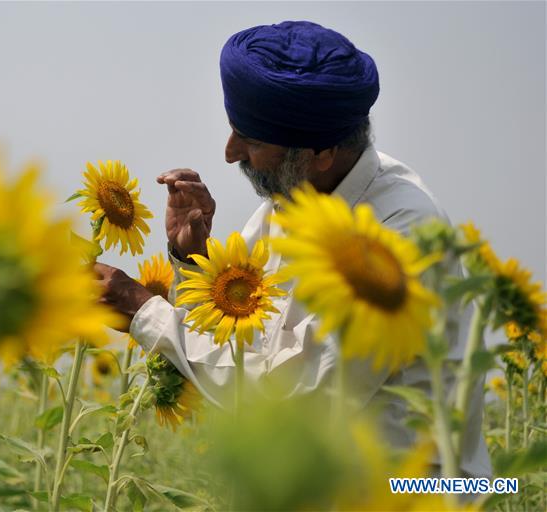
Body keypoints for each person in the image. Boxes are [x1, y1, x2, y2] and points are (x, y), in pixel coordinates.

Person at [93, 20, 491, 478]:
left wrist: (142, 308)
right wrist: (194, 262)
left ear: (321, 151)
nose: (229, 153)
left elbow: (295, 399)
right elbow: (239, 346)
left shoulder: (397, 241)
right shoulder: (291, 205)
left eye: (253, 140)